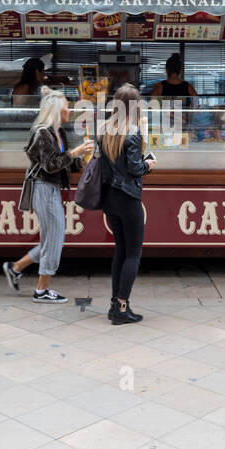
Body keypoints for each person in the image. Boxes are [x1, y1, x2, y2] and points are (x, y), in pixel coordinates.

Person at [2, 87, 93, 303]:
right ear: (56, 109)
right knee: (55, 238)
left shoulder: (57, 132)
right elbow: (51, 165)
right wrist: (75, 153)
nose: (69, 110)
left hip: (51, 188)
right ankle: (41, 290)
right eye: (66, 106)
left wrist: (83, 160)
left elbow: (64, 165)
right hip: (42, 188)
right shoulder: (43, 133)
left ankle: (16, 268)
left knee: (52, 238)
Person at [100, 84, 152, 324]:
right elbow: (135, 168)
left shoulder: (104, 129)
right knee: (133, 253)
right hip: (129, 198)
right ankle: (122, 307)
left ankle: (114, 303)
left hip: (109, 199)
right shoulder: (133, 131)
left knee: (120, 250)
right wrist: (148, 165)